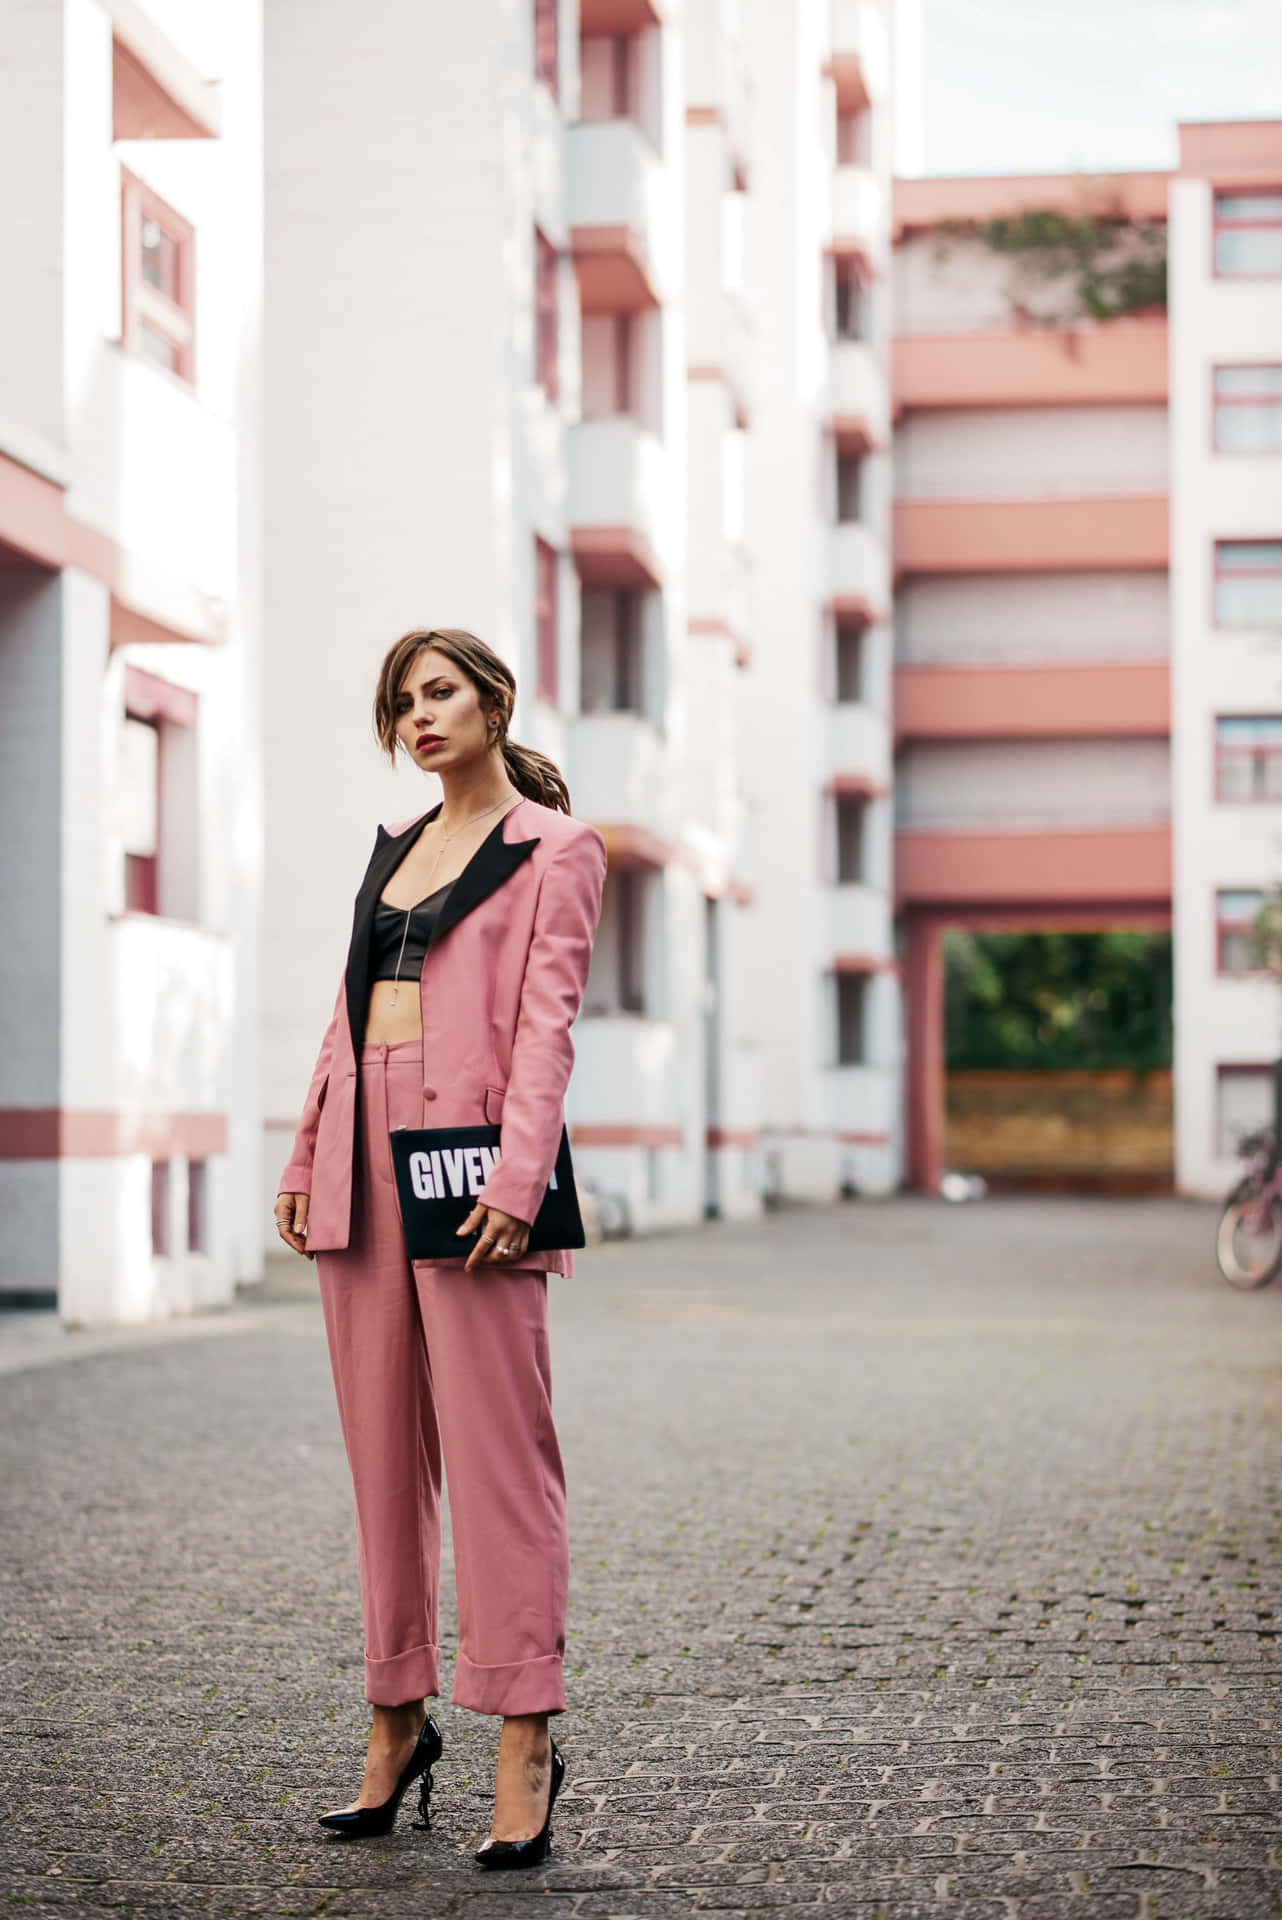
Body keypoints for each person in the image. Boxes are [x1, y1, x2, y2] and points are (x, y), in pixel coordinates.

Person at [273, 626, 607, 1869]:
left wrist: (522, 1175)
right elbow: (344, 1016)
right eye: (403, 701)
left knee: (497, 1457)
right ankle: (393, 1721)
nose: (420, 716)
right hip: (363, 1152)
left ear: (493, 702)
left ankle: (525, 1736)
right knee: (380, 1463)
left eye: (441, 693)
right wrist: (308, 1153)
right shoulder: (396, 852)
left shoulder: (555, 849)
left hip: (470, 1170)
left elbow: (548, 1022)